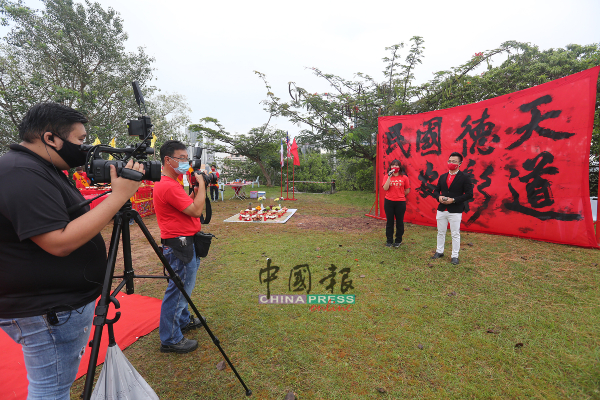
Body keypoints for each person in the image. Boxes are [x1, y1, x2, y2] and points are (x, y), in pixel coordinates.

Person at [0, 102, 144, 399]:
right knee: (50, 389)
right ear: (50, 138)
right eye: (80, 140)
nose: (85, 147)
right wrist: (118, 197)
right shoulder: (20, 172)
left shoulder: (40, 168)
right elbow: (59, 241)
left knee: (55, 385)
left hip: (52, 304)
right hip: (46, 309)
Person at [153, 140, 207, 354]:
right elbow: (195, 211)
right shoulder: (167, 185)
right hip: (179, 245)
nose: (186, 163)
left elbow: (186, 205)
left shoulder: (173, 183)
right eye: (182, 159)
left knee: (185, 287)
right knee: (178, 290)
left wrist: (195, 189)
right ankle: (170, 339)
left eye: (187, 159)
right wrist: (202, 185)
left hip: (184, 242)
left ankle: (183, 320)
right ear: (168, 160)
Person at [431, 152, 473, 265]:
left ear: (460, 163)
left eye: (454, 161)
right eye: (449, 161)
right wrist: (438, 197)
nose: (451, 163)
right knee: (440, 232)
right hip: (442, 209)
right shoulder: (443, 176)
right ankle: (439, 251)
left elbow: (469, 194)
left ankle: (455, 255)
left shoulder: (465, 177)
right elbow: (435, 191)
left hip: (455, 210)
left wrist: (453, 200)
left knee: (455, 233)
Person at [382, 159, 410, 247]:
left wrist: (400, 195)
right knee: (389, 222)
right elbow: (385, 188)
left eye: (397, 165)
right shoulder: (386, 176)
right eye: (393, 165)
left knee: (399, 222)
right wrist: (389, 177)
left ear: (400, 167)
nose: (395, 167)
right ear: (390, 167)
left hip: (400, 202)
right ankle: (389, 241)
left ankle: (398, 240)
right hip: (389, 202)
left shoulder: (404, 177)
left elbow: (407, 190)